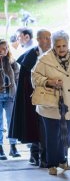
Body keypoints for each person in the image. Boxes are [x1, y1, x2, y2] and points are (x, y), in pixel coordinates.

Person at [31, 30, 70, 175]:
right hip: (51, 105)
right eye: (58, 46)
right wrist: (49, 81)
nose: (62, 49)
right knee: (53, 136)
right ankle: (51, 164)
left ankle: (62, 160)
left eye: (64, 46)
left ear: (68, 44)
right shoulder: (44, 59)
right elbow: (34, 77)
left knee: (66, 135)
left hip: (69, 104)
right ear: (53, 46)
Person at [9, 29, 51, 167]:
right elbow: (26, 80)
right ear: (39, 39)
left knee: (45, 126)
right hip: (34, 97)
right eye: (46, 38)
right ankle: (36, 156)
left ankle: (45, 156)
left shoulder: (51, 53)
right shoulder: (31, 55)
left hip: (50, 96)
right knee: (35, 126)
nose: (49, 40)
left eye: (50, 37)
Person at [0, 39, 20, 160]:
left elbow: (17, 78)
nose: (4, 50)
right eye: (1, 48)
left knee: (11, 121)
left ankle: (13, 147)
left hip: (10, 96)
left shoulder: (12, 62)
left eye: (6, 48)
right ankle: (0, 148)